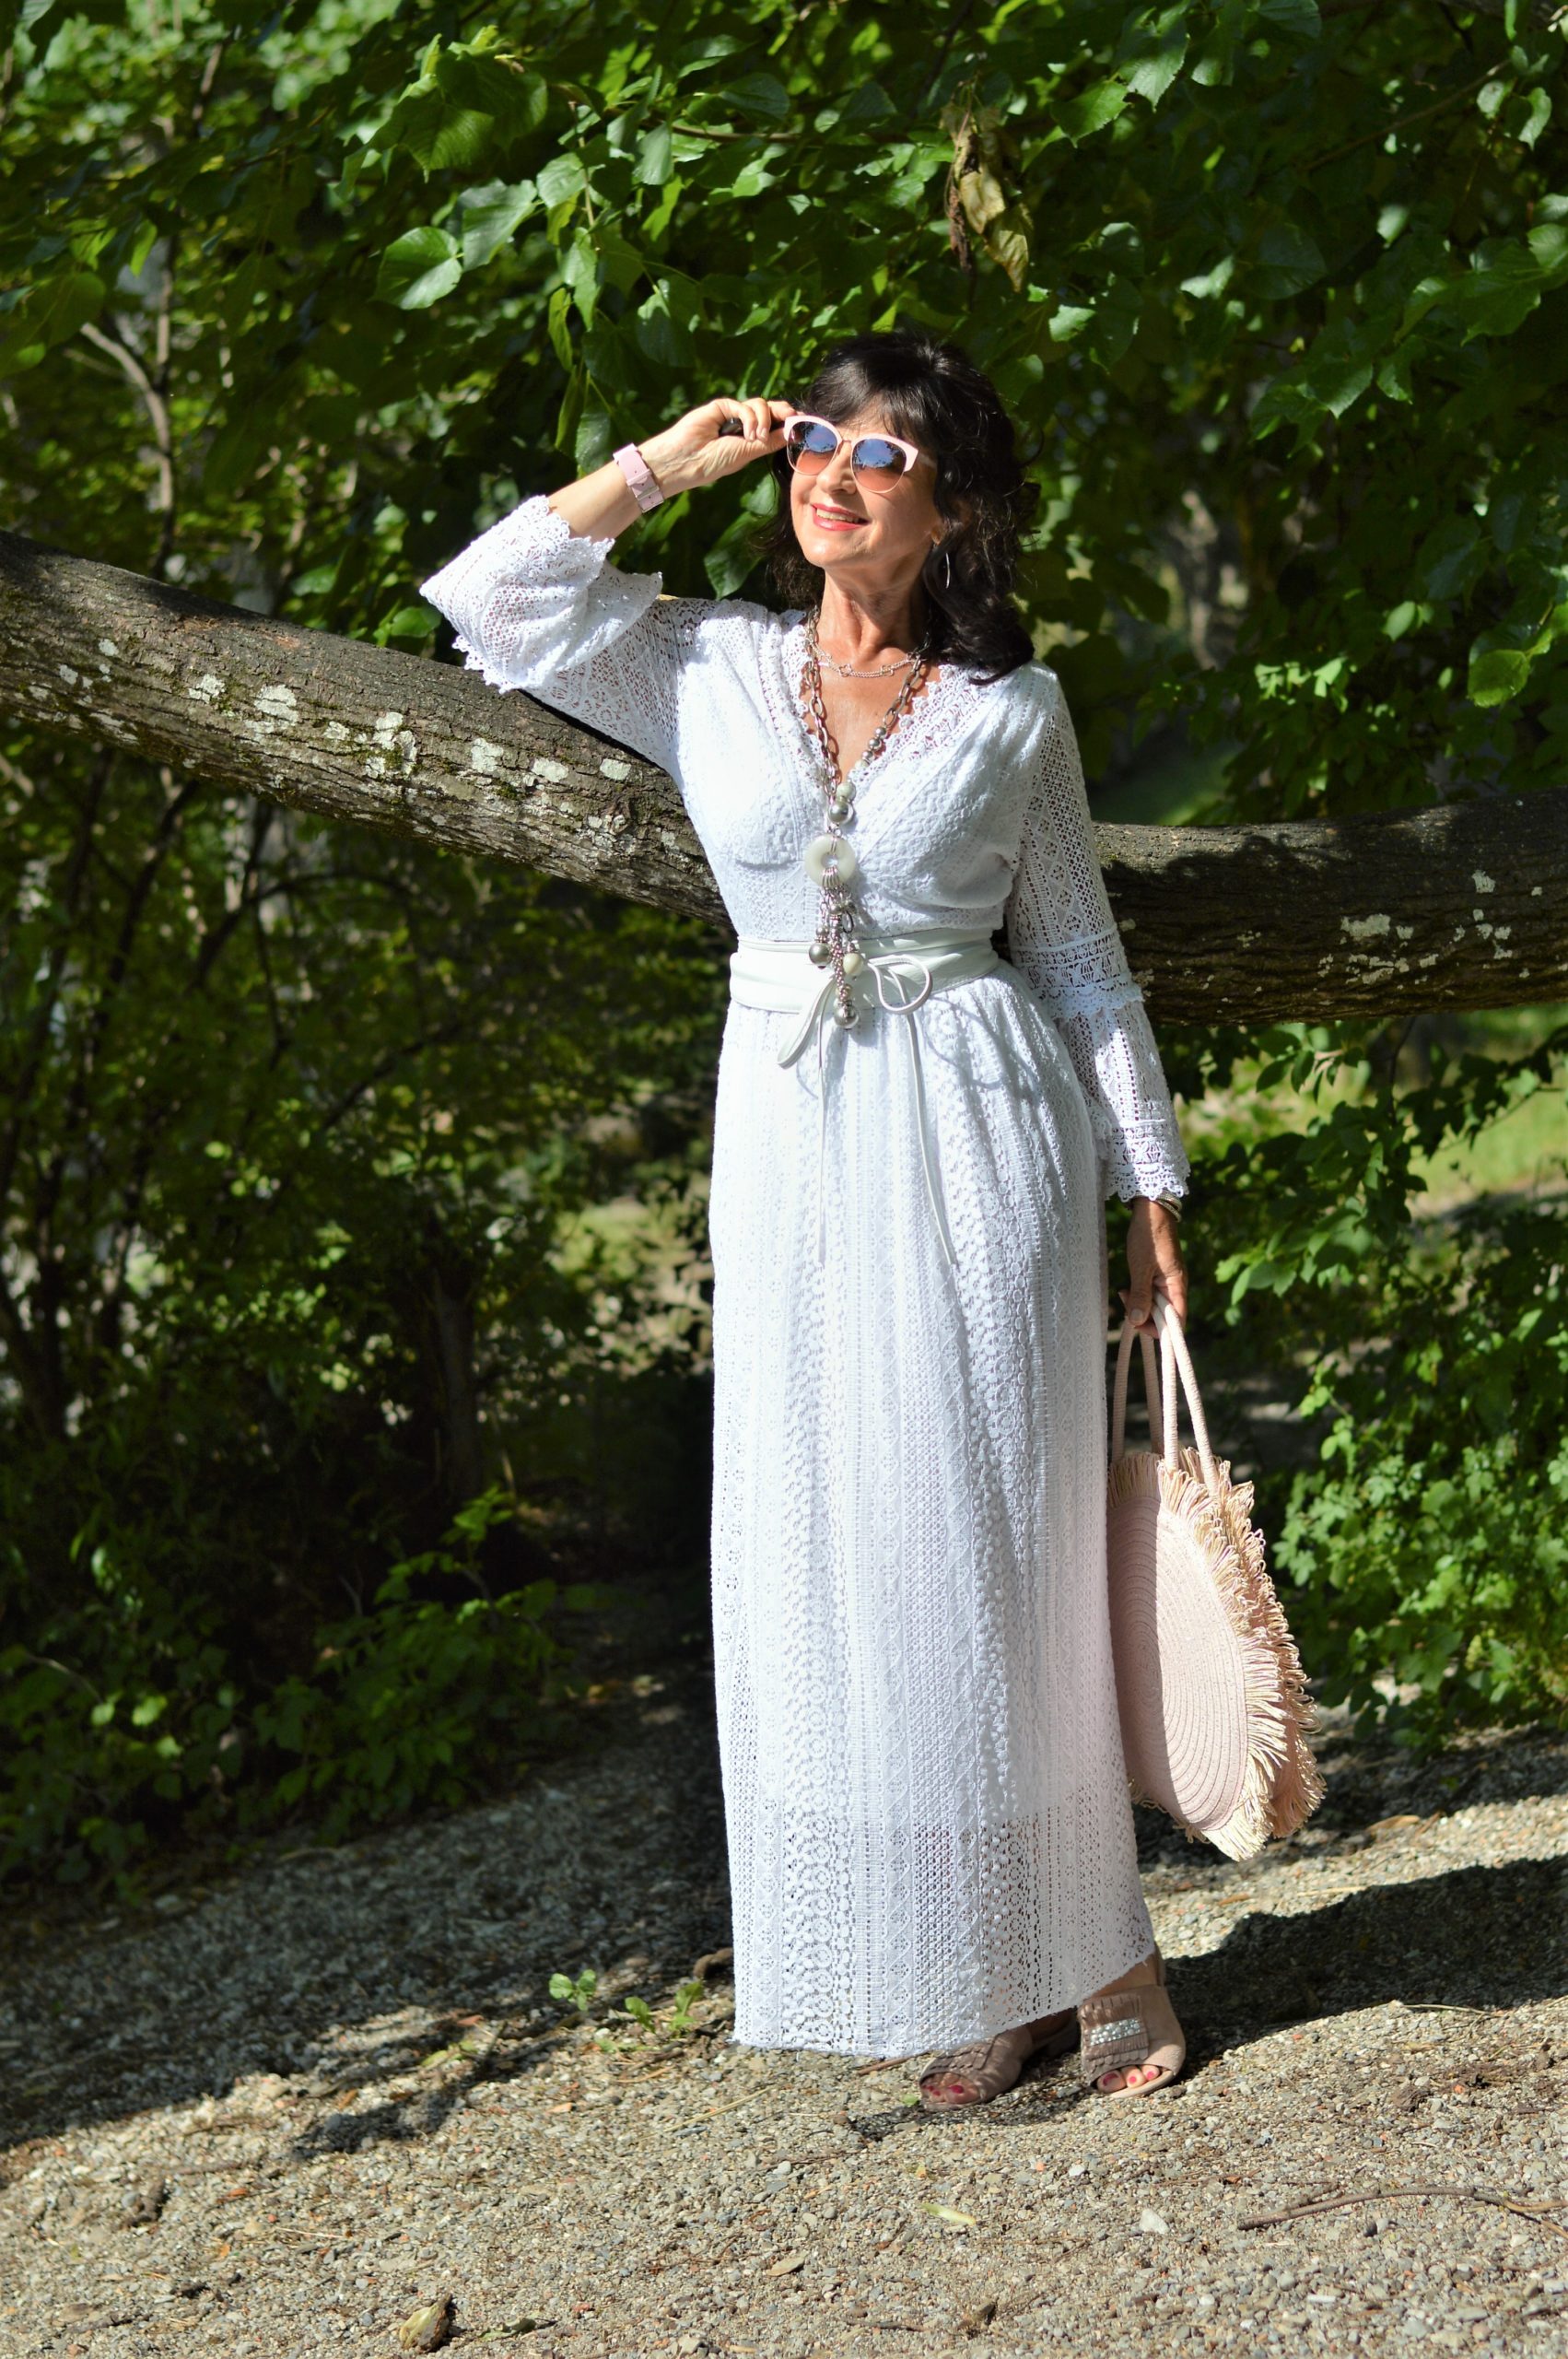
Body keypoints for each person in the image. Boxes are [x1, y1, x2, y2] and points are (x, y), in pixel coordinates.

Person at [419, 330, 1191, 2107]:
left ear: (957, 509)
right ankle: (980, 1968)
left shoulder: (1013, 713)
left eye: (881, 454)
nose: (831, 474)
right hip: (789, 1143)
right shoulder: (699, 660)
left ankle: (1107, 1960)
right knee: (842, 1547)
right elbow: (487, 601)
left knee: (991, 1539)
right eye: (813, 444)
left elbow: (1079, 962)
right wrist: (664, 463)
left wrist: (1147, 1181)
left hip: (979, 1131)